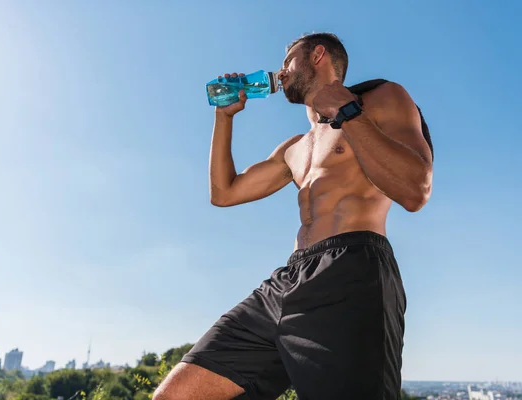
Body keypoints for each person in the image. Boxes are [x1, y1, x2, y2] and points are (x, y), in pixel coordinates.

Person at [153, 32, 433, 400]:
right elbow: (224, 193)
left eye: (288, 61)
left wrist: (347, 112)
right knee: (175, 396)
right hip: (288, 281)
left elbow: (416, 190)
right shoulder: (294, 148)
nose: (280, 71)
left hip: (353, 270)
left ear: (318, 55)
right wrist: (224, 117)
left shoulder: (380, 98)